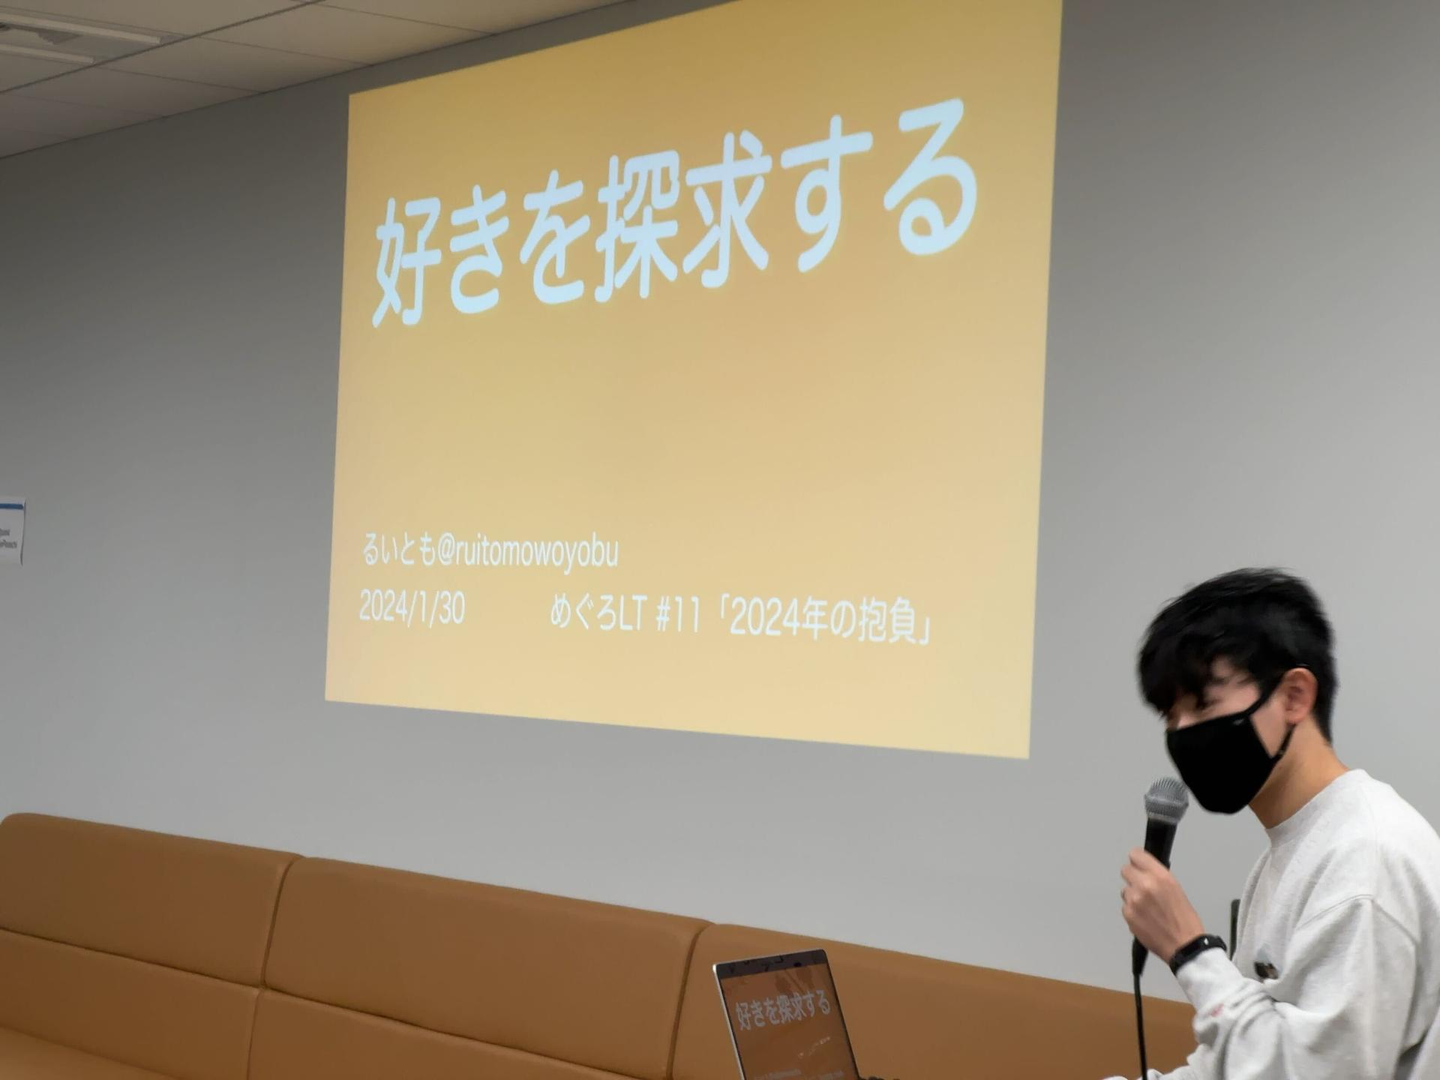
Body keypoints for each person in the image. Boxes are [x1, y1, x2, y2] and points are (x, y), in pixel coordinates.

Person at [1108, 569, 1440, 1080]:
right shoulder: (1292, 851)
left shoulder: (1366, 859)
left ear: (1294, 697)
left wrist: (1191, 951)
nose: (1183, 734)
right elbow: (1235, 1062)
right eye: (1171, 718)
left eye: (1202, 704)